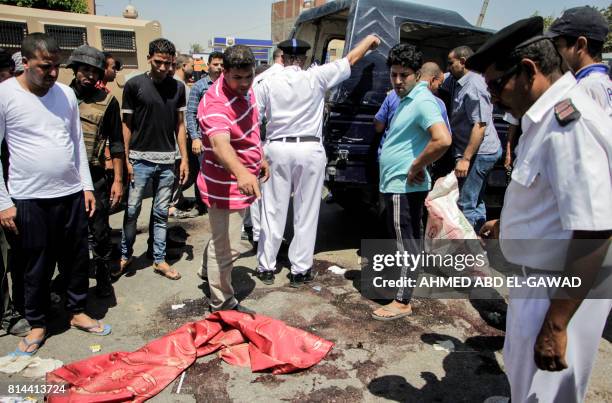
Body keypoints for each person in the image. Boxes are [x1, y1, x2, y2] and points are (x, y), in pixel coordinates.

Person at [473, 17, 612, 402]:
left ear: (529, 71)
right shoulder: (544, 116)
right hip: (540, 280)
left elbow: (595, 231)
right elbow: (554, 199)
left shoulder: (569, 125)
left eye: (496, 85)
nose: (494, 97)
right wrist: (511, 223)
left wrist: (556, 324)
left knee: (547, 392)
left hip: (560, 288)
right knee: (525, 376)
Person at [0, 33, 113, 355]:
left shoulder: (64, 94)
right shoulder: (5, 94)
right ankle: (37, 323)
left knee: (76, 258)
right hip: (28, 198)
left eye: (57, 67)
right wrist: (3, 202)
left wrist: (86, 187)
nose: (53, 74)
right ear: (25, 63)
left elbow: (77, 145)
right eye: (45, 67)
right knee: (35, 264)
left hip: (70, 194)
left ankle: (77, 311)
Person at [254, 35, 380, 286]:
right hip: (310, 148)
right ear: (302, 59)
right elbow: (351, 59)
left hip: (277, 147)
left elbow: (254, 122)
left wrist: (258, 153)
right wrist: (369, 41)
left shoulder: (265, 80)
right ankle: (300, 270)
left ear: (283, 58)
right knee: (307, 211)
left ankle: (266, 266)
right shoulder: (317, 75)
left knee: (272, 210)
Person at [372, 46, 452, 320]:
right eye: (393, 74)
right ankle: (403, 290)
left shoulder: (422, 101)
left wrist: (416, 165)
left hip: (403, 186)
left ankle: (403, 301)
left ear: (417, 74)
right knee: (407, 241)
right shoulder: (406, 98)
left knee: (407, 244)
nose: (396, 81)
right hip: (398, 185)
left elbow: (442, 139)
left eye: (403, 75)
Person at [196, 45, 268, 313]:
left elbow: (249, 130)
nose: (245, 83)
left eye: (249, 76)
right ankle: (222, 302)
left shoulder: (245, 92)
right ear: (222, 72)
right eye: (237, 78)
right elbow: (219, 143)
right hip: (225, 185)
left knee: (221, 238)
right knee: (228, 248)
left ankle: (207, 271)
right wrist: (241, 172)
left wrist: (259, 158)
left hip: (241, 179)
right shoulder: (215, 102)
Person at [118, 38, 188, 280]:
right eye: (159, 62)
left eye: (169, 63)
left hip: (168, 160)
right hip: (139, 160)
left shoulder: (178, 88)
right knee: (132, 210)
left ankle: (159, 259)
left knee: (160, 212)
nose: (163, 68)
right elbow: (126, 126)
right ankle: (125, 256)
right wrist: (125, 159)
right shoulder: (134, 85)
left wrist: (184, 158)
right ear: (149, 58)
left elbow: (180, 125)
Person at [67, 45, 124, 297]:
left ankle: (102, 278)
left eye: (94, 71)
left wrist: (119, 180)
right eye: (84, 70)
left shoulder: (108, 101)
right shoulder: (61, 96)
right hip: (64, 177)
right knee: (69, 235)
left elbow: (117, 142)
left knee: (99, 232)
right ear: (75, 70)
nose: (88, 76)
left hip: (95, 174)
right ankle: (71, 283)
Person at [447, 46, 502, 232]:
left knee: (466, 203)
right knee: (476, 201)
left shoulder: (474, 85)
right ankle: (481, 240)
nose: (448, 68)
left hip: (480, 152)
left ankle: (467, 252)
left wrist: (466, 159)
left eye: (450, 63)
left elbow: (480, 126)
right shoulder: (460, 81)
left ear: (463, 62)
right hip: (478, 151)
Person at [0, 48, 30, 338]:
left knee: (18, 255)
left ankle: (19, 307)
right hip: (5, 198)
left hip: (16, 192)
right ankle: (6, 315)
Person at [244, 48, 285, 247]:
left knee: (264, 193)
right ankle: (259, 234)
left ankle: (260, 233)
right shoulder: (263, 82)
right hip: (259, 143)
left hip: (263, 143)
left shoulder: (260, 83)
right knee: (260, 194)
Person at [546, 6, 611, 118]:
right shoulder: (604, 82)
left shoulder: (584, 89)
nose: (554, 54)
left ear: (581, 45)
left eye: (558, 46)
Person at [186, 51, 224, 221]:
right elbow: (191, 113)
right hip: (203, 140)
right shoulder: (200, 86)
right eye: (216, 64)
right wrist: (195, 137)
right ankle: (201, 205)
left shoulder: (228, 85)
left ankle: (219, 205)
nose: (219, 67)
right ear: (208, 65)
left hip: (223, 140)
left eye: (222, 64)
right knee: (202, 173)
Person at [168, 53, 199, 219]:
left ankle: (177, 199)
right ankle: (171, 206)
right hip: (178, 138)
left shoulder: (181, 86)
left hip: (181, 136)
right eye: (192, 65)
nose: (193, 69)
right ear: (183, 66)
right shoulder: (179, 86)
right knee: (177, 171)